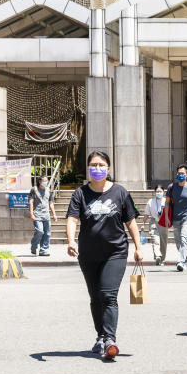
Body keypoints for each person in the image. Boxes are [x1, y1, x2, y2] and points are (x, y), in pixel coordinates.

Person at [65, 151, 144, 360]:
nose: (97, 168)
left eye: (101, 164)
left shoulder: (120, 192)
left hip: (115, 252)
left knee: (108, 296)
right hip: (88, 254)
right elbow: (72, 219)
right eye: (93, 164)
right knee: (95, 298)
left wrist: (138, 247)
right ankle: (100, 335)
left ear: (108, 168)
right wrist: (71, 240)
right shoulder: (80, 194)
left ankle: (110, 339)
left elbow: (131, 222)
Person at [29, 174, 57, 256]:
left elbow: (51, 203)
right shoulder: (34, 190)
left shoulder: (49, 190)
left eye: (46, 181)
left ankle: (43, 250)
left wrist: (54, 214)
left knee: (47, 233)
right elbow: (31, 202)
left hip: (46, 215)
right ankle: (33, 246)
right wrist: (31, 214)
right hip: (37, 215)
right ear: (39, 181)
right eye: (44, 181)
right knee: (40, 231)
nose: (46, 182)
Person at [142, 185, 168, 266]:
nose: (159, 193)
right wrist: (143, 224)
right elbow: (146, 213)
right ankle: (157, 256)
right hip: (154, 221)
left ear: (163, 192)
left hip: (164, 222)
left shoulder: (166, 201)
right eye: (157, 192)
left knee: (163, 242)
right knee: (155, 239)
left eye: (160, 192)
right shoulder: (151, 201)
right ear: (155, 192)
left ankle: (162, 259)